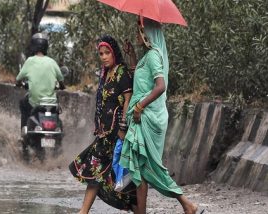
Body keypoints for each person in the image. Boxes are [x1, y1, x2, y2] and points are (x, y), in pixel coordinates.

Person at [120, 18, 201, 214]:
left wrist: (139, 106)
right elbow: (140, 79)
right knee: (139, 169)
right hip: (142, 116)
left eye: (139, 31)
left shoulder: (154, 55)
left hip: (148, 118)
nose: (136, 35)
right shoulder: (146, 56)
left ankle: (187, 204)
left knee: (151, 167)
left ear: (147, 33)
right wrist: (131, 56)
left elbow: (160, 86)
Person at [69, 35, 136, 213]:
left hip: (116, 133)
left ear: (114, 53)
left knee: (115, 175)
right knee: (96, 170)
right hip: (104, 133)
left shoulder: (121, 72)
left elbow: (128, 99)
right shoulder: (106, 73)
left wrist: (123, 127)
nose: (104, 56)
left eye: (107, 53)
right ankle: (83, 211)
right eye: (101, 53)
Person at [16, 33, 64, 134]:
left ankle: (23, 132)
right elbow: (61, 79)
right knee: (57, 107)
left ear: (33, 46)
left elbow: (18, 78)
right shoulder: (52, 62)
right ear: (46, 47)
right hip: (50, 103)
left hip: (34, 102)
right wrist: (62, 85)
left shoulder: (30, 61)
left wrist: (19, 83)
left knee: (23, 104)